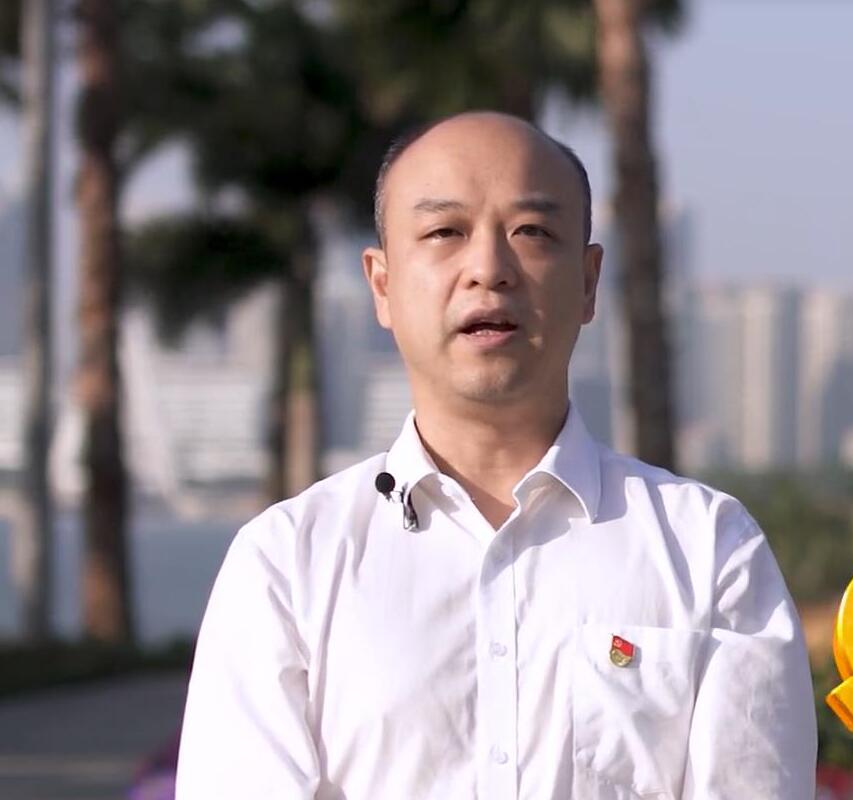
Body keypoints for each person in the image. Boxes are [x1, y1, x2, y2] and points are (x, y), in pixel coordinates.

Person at [175, 111, 817, 799]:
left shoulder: (707, 548)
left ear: (589, 282)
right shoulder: (287, 562)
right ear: (382, 284)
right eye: (444, 233)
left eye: (531, 232)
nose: (488, 270)